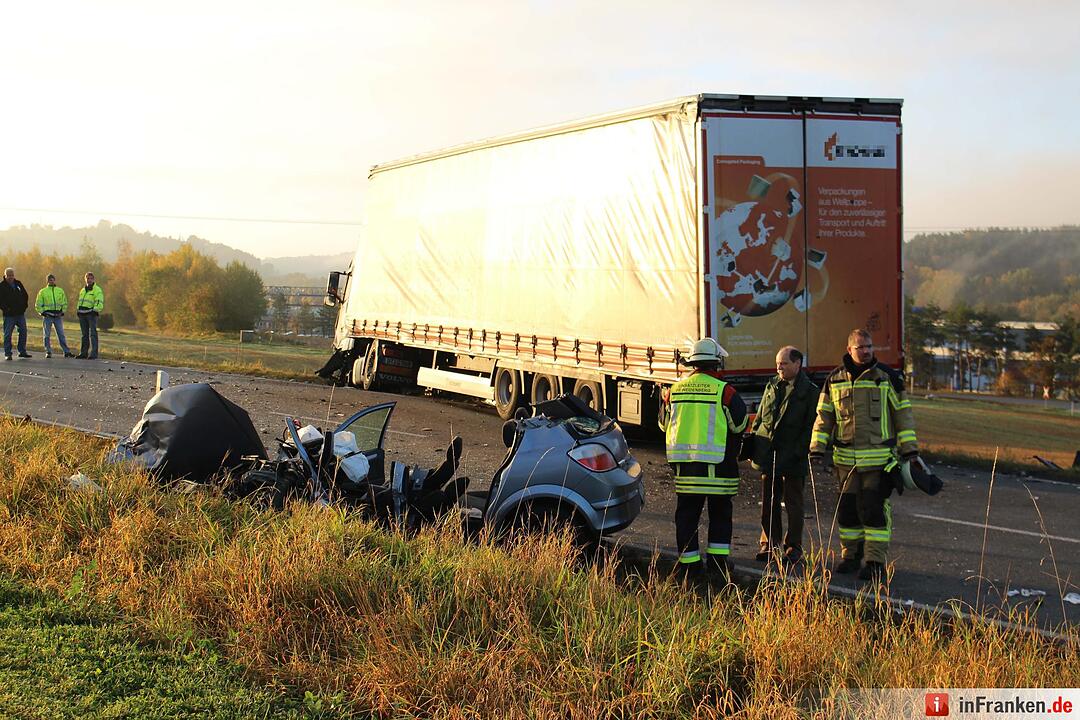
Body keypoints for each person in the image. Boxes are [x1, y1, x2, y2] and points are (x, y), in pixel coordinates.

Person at [809, 329, 919, 584]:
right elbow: (823, 417)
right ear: (850, 350)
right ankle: (850, 557)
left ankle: (875, 562)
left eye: (869, 346)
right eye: (861, 347)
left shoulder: (887, 378)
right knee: (847, 511)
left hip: (879, 460)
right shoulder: (834, 380)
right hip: (845, 461)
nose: (867, 351)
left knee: (872, 509)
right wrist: (817, 447)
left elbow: (903, 415)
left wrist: (910, 450)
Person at [660, 337, 748, 582]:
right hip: (719, 471)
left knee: (687, 516)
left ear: (693, 363)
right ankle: (718, 567)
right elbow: (740, 424)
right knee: (720, 516)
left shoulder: (673, 391)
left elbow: (662, 424)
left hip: (686, 470)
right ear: (716, 363)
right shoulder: (725, 392)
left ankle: (689, 568)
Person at [747, 345, 819, 565]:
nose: (779, 367)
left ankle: (793, 547)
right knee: (768, 502)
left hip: (794, 456)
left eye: (784, 363)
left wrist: (799, 451)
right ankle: (769, 544)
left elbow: (811, 426)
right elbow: (760, 417)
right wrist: (753, 443)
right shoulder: (772, 384)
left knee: (794, 503)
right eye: (778, 363)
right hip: (769, 454)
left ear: (798, 364)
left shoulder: (810, 391)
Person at [35, 274, 75, 359]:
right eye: (50, 280)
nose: (51, 281)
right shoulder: (43, 291)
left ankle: (66, 351)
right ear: (47, 281)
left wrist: (63, 311)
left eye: (53, 279)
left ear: (55, 280)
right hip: (48, 316)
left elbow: (64, 302)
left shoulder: (60, 290)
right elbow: (38, 304)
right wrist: (42, 313)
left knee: (61, 334)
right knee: (47, 335)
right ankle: (48, 351)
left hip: (58, 316)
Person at [0, 267, 32, 360]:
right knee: (7, 334)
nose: (10, 277)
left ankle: (22, 351)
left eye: (12, 275)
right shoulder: (1, 286)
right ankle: (8, 353)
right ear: (5, 276)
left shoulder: (18, 283)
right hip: (9, 315)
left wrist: (24, 307)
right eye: (8, 275)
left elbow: (25, 295)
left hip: (20, 314)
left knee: (23, 331)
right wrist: (6, 309)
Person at [76, 271, 105, 359]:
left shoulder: (97, 290)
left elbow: (99, 302)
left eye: (91, 278)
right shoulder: (83, 290)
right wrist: (78, 310)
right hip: (82, 314)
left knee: (93, 334)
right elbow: (80, 301)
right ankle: (83, 353)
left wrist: (95, 310)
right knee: (84, 335)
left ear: (93, 279)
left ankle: (93, 354)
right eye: (87, 278)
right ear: (85, 279)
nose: (89, 280)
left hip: (91, 315)